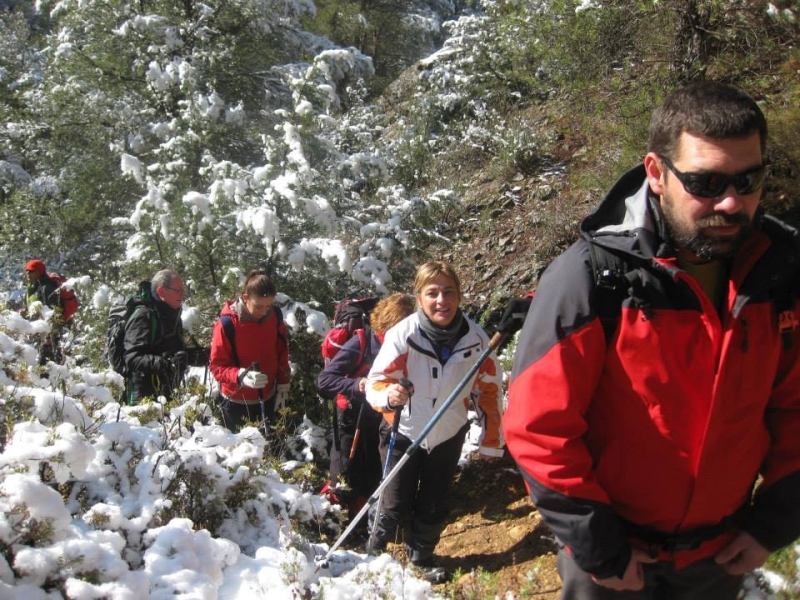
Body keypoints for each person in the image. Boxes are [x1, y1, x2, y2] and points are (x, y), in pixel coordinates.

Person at [503, 81, 800, 599]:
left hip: (720, 554)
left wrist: (773, 525)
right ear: (657, 174)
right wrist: (601, 549)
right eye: (706, 182)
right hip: (614, 561)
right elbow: (538, 428)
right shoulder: (592, 278)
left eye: (748, 179)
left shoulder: (780, 274)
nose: (732, 201)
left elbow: (795, 410)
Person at [365, 261, 504, 580]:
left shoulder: (476, 340)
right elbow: (376, 382)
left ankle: (421, 558)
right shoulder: (404, 334)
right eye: (432, 293)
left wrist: (491, 441)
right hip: (403, 430)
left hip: (448, 433)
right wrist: (390, 394)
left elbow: (489, 390)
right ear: (419, 297)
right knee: (393, 503)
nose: (442, 300)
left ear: (459, 296)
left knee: (434, 502)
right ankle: (372, 554)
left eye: (449, 292)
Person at [316, 292, 416, 525]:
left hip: (380, 415)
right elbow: (324, 381)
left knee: (373, 471)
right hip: (352, 415)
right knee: (346, 473)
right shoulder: (362, 341)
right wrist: (357, 384)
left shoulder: (405, 343)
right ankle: (333, 523)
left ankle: (364, 522)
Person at [209, 270, 291, 434]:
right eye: (259, 306)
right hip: (236, 403)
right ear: (246, 298)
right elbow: (217, 367)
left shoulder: (274, 316)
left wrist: (283, 383)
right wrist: (240, 376)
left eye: (268, 306)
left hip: (269, 397)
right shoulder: (227, 324)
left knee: (269, 445)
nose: (264, 311)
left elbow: (281, 351)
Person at [123, 269, 188, 404]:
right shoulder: (143, 316)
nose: (182, 295)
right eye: (178, 291)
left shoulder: (172, 315)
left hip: (167, 392)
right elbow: (132, 358)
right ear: (161, 292)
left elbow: (175, 352)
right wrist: (166, 364)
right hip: (143, 399)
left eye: (183, 290)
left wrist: (202, 355)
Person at [24, 259, 64, 365]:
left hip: (48, 338)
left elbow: (53, 313)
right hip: (36, 334)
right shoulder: (32, 288)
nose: (28, 273)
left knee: (47, 368)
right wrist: (26, 314)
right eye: (27, 271)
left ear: (39, 272)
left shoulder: (47, 288)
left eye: (31, 271)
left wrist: (50, 338)